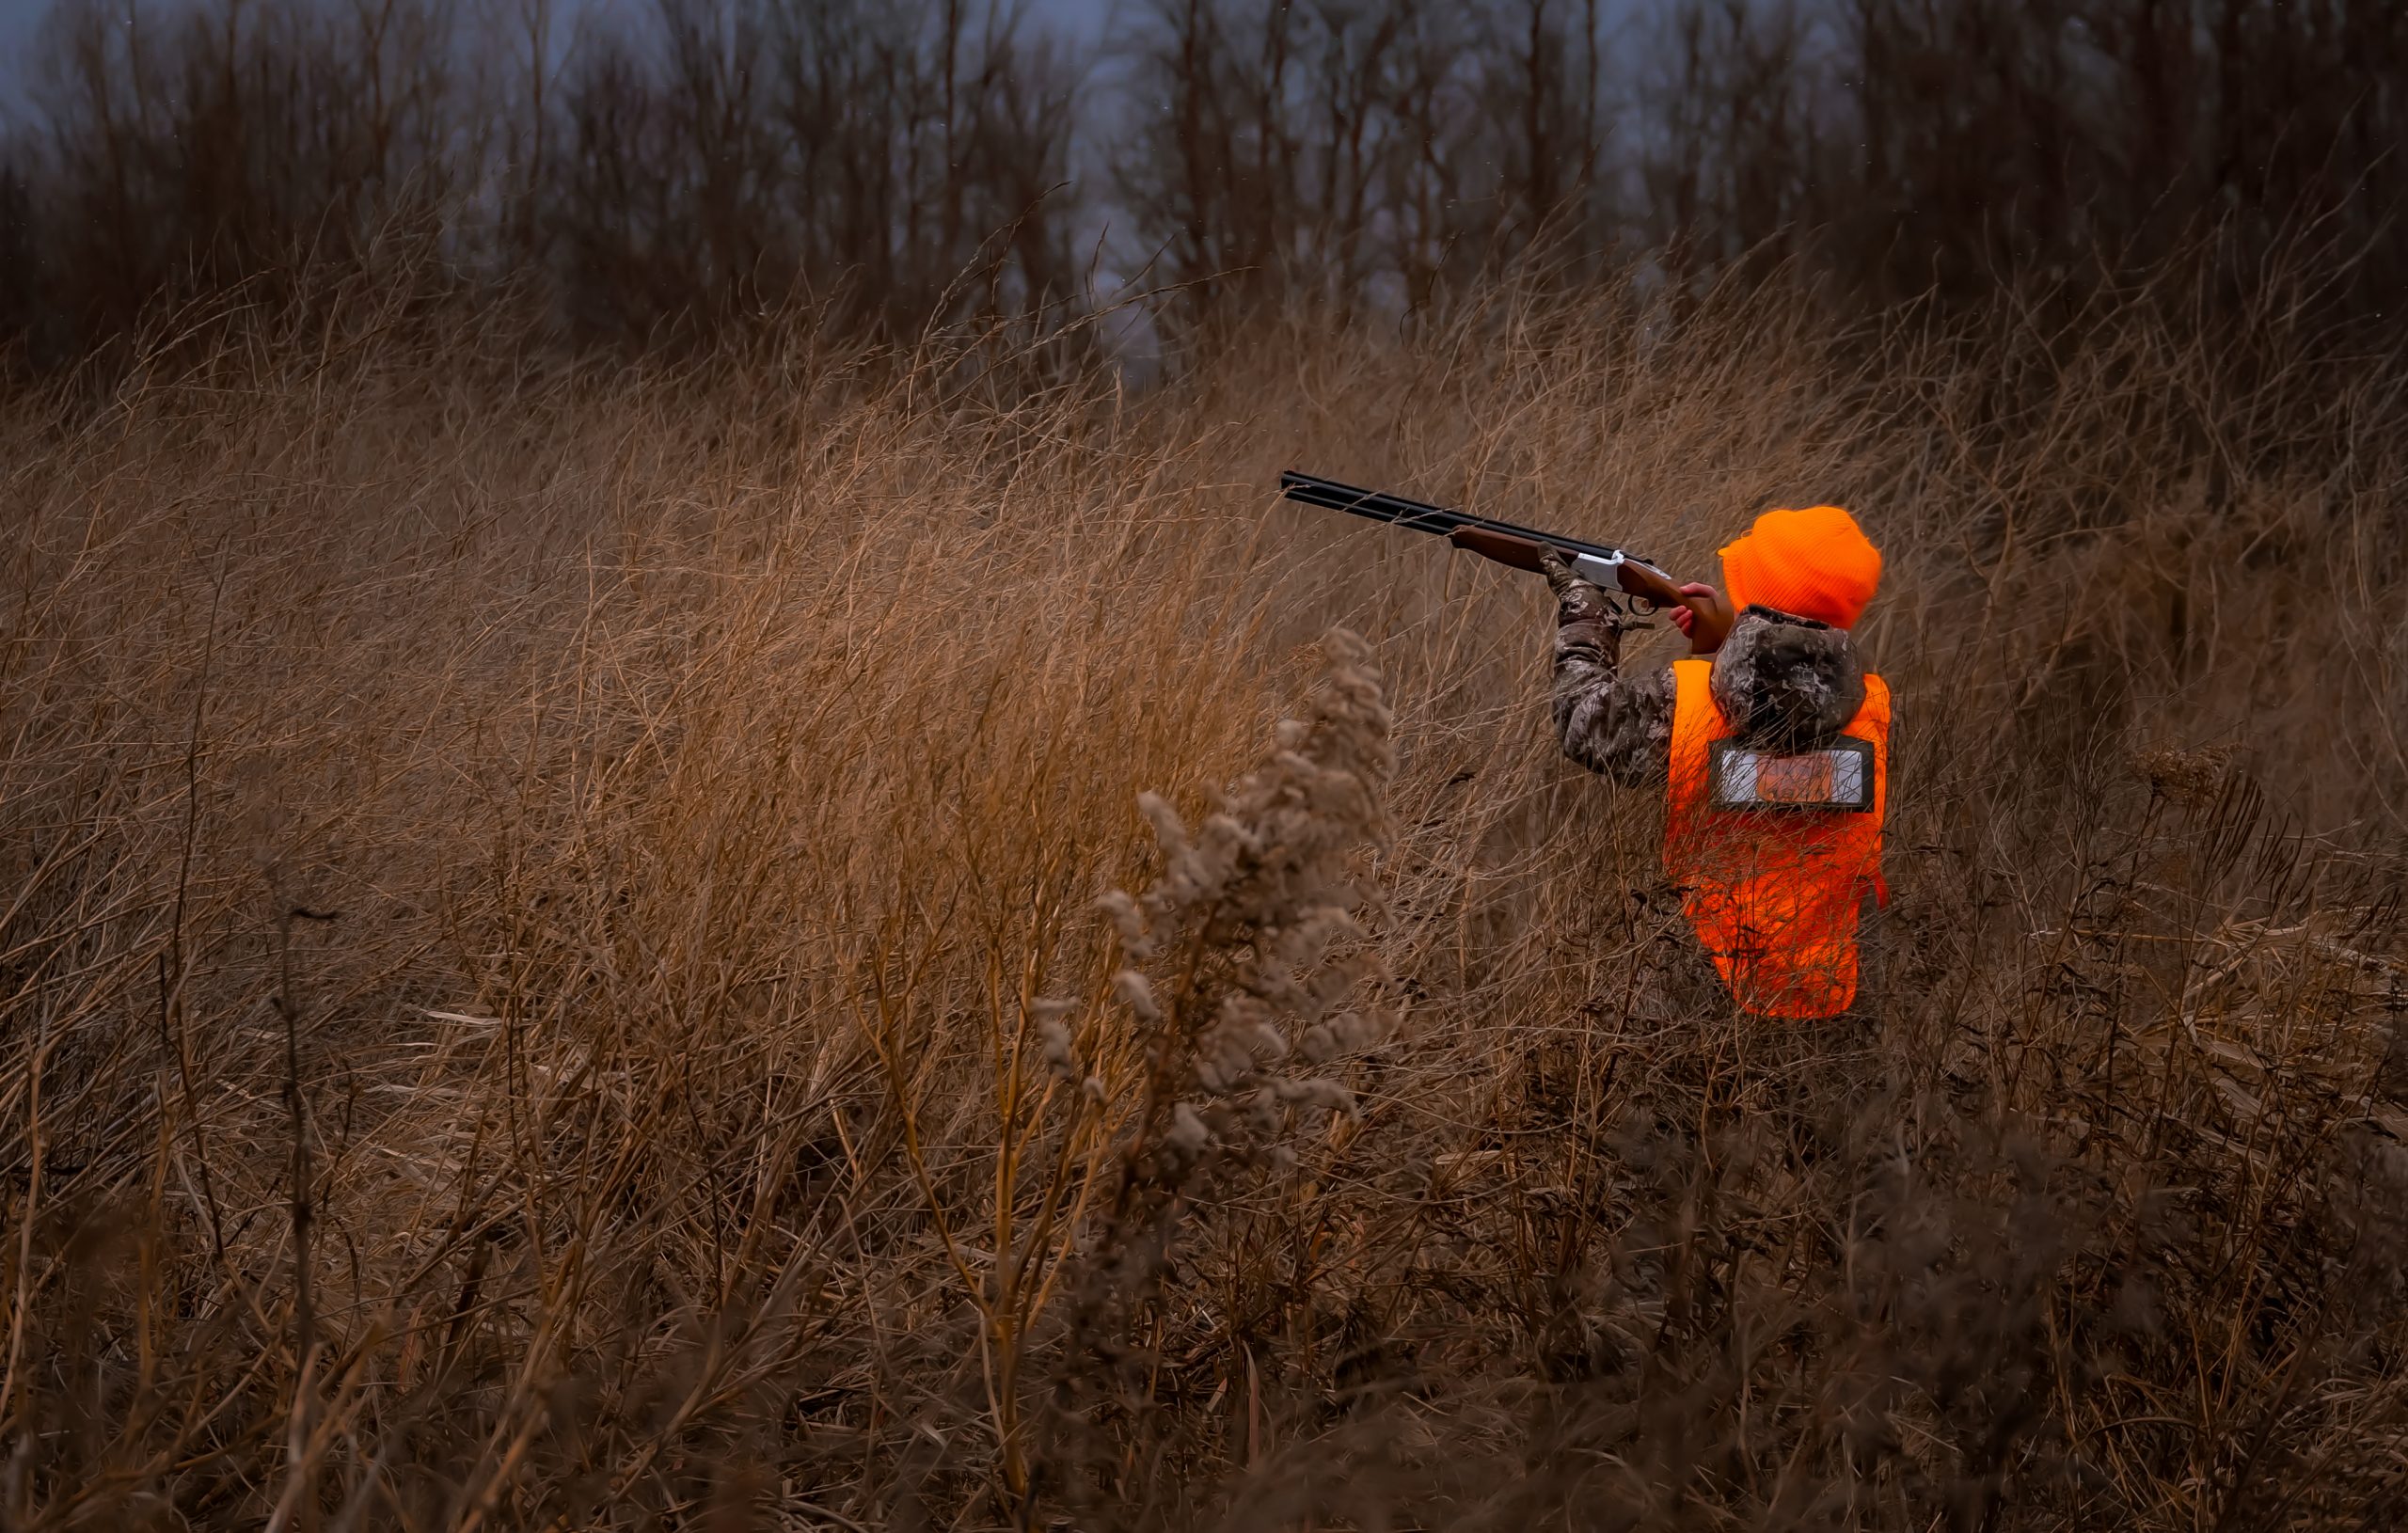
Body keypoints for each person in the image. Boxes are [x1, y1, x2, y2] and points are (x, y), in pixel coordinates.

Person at [1536, 506, 1890, 1019]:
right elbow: (1793, 697)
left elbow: (1581, 724)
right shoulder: (1873, 708)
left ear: (1752, 587)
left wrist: (1589, 618)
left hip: (1703, 989)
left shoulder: (1689, 703)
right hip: (1833, 983)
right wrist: (1738, 636)